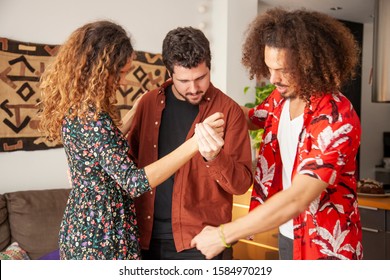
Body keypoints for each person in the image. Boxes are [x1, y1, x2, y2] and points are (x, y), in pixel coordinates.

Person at [38, 20, 224, 260]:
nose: (123, 81)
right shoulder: (92, 118)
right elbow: (134, 182)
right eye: (121, 73)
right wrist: (194, 143)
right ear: (102, 70)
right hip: (99, 235)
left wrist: (132, 116)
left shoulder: (80, 110)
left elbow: (103, 147)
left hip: (85, 225)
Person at [191, 8, 363, 260]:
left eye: (283, 69)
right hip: (288, 233)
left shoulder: (336, 116)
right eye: (270, 67)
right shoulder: (280, 99)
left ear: (310, 63)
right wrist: (202, 93)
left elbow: (299, 197)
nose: (273, 78)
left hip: (326, 245)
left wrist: (223, 235)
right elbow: (249, 117)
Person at [127, 26, 253, 260]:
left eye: (200, 78)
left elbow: (241, 184)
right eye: (184, 80)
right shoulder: (148, 104)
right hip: (144, 238)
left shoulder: (229, 111)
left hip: (201, 242)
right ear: (169, 72)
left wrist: (216, 157)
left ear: (209, 67)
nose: (194, 88)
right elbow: (129, 165)